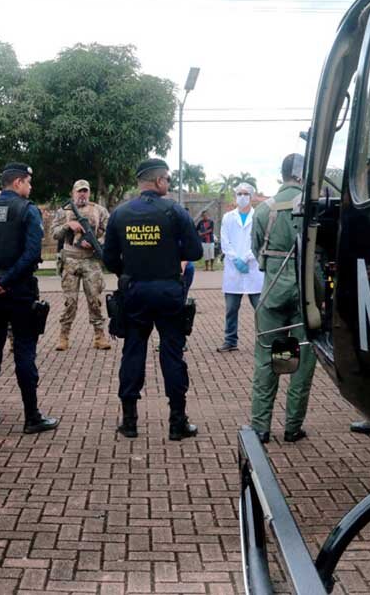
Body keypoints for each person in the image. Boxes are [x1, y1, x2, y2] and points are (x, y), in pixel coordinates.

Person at [103, 158, 203, 441]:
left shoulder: (120, 214)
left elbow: (109, 258)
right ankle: (177, 422)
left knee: (133, 352)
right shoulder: (174, 211)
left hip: (134, 292)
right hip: (169, 291)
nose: (169, 184)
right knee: (172, 353)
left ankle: (130, 421)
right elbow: (195, 251)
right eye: (168, 180)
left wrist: (130, 272)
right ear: (159, 181)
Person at [0, 163, 59, 435]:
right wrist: (5, 283)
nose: (30, 188)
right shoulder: (27, 210)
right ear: (18, 182)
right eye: (28, 182)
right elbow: (31, 255)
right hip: (19, 291)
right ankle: (32, 416)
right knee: (24, 350)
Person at [250, 153, 317, 444]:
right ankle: (292, 427)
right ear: (303, 176)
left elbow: (257, 252)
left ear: (283, 175)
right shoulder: (314, 208)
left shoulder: (263, 210)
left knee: (268, 359)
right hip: (306, 295)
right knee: (301, 361)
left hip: (272, 293)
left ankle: (261, 428)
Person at [51, 179, 110, 351]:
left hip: (91, 260)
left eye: (85, 191)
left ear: (89, 193)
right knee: (70, 301)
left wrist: (96, 242)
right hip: (70, 260)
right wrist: (68, 225)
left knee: (95, 300)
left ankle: (99, 336)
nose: (82, 194)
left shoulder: (99, 210)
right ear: (73, 193)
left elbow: (111, 231)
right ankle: (64, 336)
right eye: (79, 191)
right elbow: (54, 233)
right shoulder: (64, 211)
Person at [218, 183, 263, 352]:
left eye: (245, 194)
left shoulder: (258, 216)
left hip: (253, 268)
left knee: (260, 308)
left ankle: (263, 339)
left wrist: (246, 258)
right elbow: (225, 241)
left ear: (251, 197)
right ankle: (230, 340)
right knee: (231, 309)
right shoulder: (228, 217)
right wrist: (236, 259)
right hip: (233, 268)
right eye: (239, 193)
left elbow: (258, 241)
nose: (242, 197)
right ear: (235, 196)